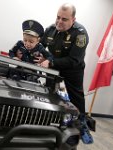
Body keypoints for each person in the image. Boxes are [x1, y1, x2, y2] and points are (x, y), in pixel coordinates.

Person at [40, 3, 93, 144]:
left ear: (73, 20)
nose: (59, 21)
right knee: (50, 95)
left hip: (73, 70)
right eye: (58, 17)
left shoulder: (80, 34)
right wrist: (33, 53)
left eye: (64, 19)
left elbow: (74, 60)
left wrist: (50, 62)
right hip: (53, 69)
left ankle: (81, 125)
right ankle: (49, 123)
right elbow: (40, 46)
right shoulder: (51, 30)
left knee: (76, 99)